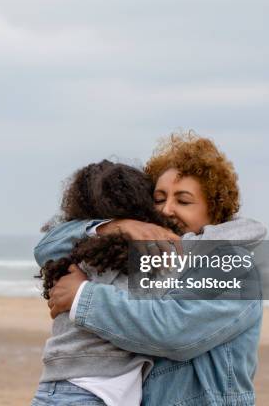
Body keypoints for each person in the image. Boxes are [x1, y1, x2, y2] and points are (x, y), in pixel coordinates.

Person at [34, 132, 266, 405]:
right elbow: (48, 248)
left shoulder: (232, 265)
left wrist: (82, 296)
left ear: (214, 211)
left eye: (183, 201)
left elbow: (174, 331)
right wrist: (112, 226)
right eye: (159, 198)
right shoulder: (156, 252)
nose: (167, 209)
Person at [33, 160, 178, 406]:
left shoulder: (76, 254)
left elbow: (44, 247)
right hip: (82, 392)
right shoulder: (134, 258)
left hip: (68, 389)